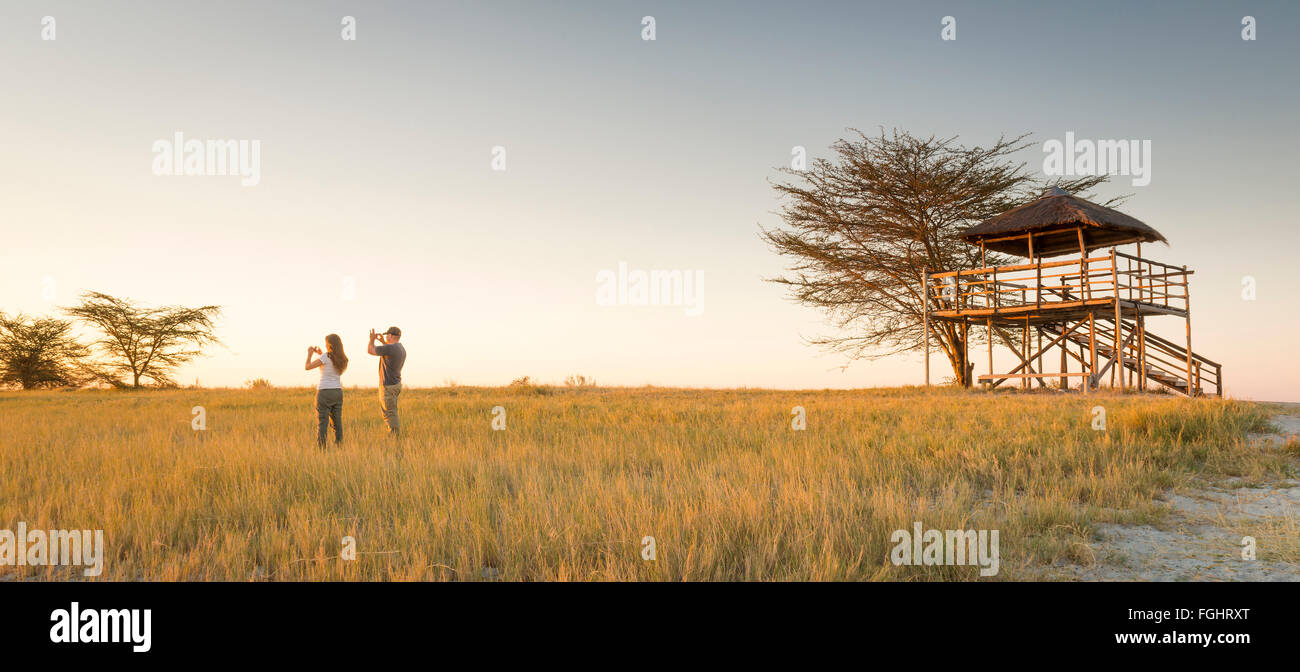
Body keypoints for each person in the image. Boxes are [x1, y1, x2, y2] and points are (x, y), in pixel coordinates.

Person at [305, 333, 348, 448]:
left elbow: (307, 366)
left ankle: (322, 449)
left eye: (326, 344)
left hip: (324, 392)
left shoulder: (326, 357)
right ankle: (339, 446)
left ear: (330, 345)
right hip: (337, 392)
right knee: (337, 422)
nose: (325, 345)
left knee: (322, 422)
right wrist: (320, 354)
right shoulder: (342, 358)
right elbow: (329, 366)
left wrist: (309, 354)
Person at [367, 326, 406, 437]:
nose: (386, 337)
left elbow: (370, 350)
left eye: (387, 336)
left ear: (390, 336)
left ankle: (394, 437)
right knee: (392, 411)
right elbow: (388, 352)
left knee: (389, 413)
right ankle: (394, 435)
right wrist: (382, 341)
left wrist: (372, 339)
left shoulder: (390, 348)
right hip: (396, 384)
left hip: (388, 386)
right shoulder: (401, 348)